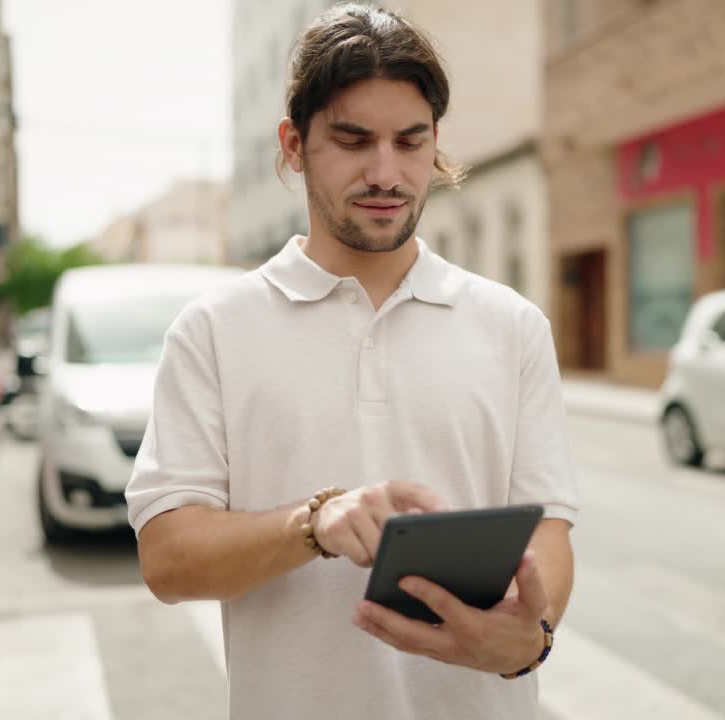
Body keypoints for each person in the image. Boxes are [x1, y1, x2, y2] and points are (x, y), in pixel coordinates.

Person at [126, 4, 578, 718]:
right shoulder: (213, 330)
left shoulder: (513, 327)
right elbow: (169, 560)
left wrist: (530, 639)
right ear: (294, 144)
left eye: (410, 141)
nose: (385, 172)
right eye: (352, 140)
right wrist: (315, 522)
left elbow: (547, 527)